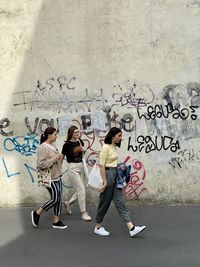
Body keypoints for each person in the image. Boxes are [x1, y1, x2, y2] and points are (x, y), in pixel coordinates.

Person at [94, 127, 146, 237]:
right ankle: (98, 227)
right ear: (112, 136)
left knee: (120, 202)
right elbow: (101, 165)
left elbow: (111, 162)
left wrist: (120, 166)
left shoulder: (113, 147)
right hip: (108, 176)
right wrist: (104, 182)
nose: (120, 138)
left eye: (121, 136)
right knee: (104, 203)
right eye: (119, 136)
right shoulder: (106, 147)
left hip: (115, 175)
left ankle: (131, 228)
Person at [31, 127, 67, 229]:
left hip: (56, 175)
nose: (56, 136)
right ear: (49, 135)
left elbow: (55, 161)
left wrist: (58, 160)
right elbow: (41, 164)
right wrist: (55, 158)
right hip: (47, 176)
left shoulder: (53, 146)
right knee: (55, 198)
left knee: (58, 198)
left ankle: (56, 221)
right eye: (55, 134)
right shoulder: (43, 147)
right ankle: (37, 212)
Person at [61, 125, 91, 221]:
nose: (77, 134)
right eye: (75, 132)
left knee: (81, 190)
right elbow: (62, 157)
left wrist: (84, 151)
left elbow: (81, 154)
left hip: (81, 166)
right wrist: (58, 170)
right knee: (81, 190)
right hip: (72, 167)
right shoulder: (67, 144)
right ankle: (84, 213)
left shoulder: (80, 141)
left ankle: (68, 203)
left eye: (78, 132)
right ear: (71, 133)